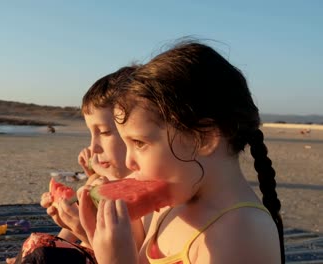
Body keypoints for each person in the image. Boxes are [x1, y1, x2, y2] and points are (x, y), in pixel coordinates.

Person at [79, 41, 284, 264]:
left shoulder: (242, 233)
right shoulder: (174, 199)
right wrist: (96, 235)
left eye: (139, 143)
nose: (129, 161)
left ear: (203, 139)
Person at [8, 65, 146, 264]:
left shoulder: (142, 197)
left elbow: (126, 257)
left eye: (105, 132)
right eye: (91, 133)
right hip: (87, 249)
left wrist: (81, 229)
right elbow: (74, 230)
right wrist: (63, 229)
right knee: (37, 244)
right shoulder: (102, 179)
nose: (93, 147)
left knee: (42, 253)